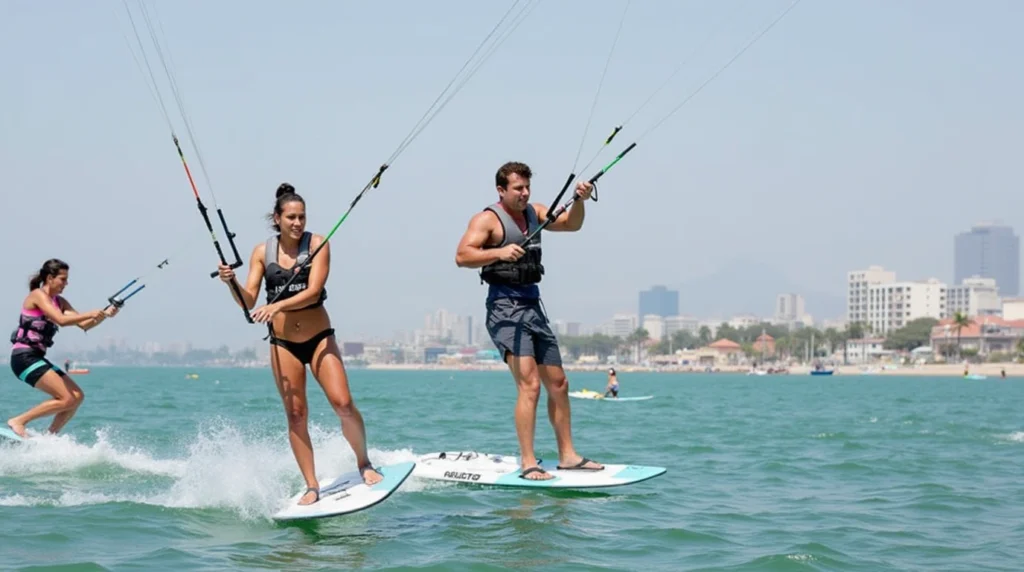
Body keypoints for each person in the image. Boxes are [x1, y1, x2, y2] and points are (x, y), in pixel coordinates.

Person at [217, 183, 381, 506]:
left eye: (302, 217)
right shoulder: (261, 253)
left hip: (319, 338)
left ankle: (364, 462)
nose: (297, 223)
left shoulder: (318, 244)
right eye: (291, 217)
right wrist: (231, 282)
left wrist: (277, 306)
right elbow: (248, 300)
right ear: (276, 219)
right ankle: (311, 485)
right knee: (295, 414)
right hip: (283, 343)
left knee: (343, 404)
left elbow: (314, 291)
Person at [455, 161, 604, 481]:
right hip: (505, 309)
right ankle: (528, 462)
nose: (524, 194)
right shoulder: (487, 220)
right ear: (501, 190)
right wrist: (498, 253)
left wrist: (579, 199)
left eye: (527, 188)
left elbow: (570, 225)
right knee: (530, 385)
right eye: (517, 188)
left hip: (534, 306)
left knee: (559, 384)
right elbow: (462, 256)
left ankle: (568, 456)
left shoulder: (536, 212)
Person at [7, 259, 118, 437]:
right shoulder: (38, 295)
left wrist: (105, 314)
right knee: (66, 398)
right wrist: (91, 312)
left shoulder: (60, 301)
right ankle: (18, 421)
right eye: (63, 279)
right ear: (50, 278)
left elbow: (84, 324)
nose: (66, 283)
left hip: (37, 358)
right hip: (23, 358)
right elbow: (61, 320)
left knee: (77, 397)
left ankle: (50, 436)